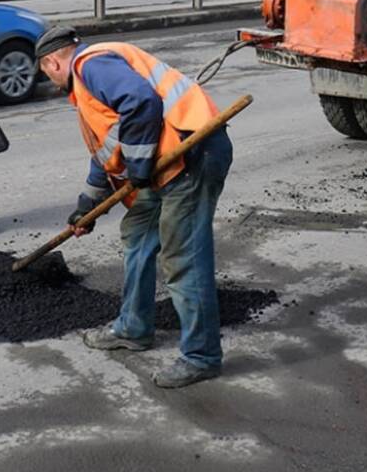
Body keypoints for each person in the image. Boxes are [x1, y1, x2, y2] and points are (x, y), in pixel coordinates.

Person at [36, 25, 233, 388]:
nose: (48, 79)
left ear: (51, 62)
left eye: (45, 72)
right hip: (165, 165)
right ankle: (134, 327)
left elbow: (141, 102)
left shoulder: (90, 66)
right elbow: (108, 153)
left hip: (191, 154)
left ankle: (202, 356)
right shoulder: (89, 85)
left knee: (183, 255)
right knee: (139, 235)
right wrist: (86, 208)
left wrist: (140, 168)